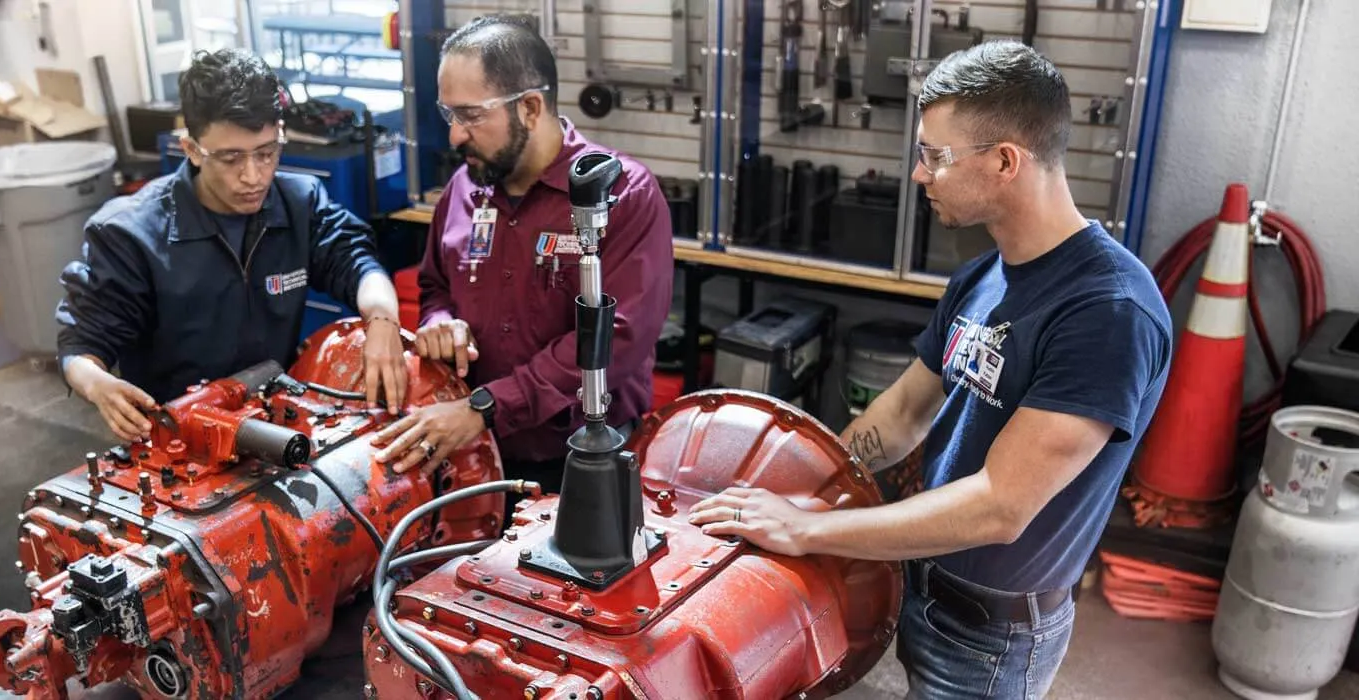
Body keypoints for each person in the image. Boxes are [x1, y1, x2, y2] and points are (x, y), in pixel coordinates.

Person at [689, 41, 1173, 699]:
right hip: (926, 587)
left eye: (935, 157)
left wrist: (811, 529)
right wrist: (816, 489)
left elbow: (1000, 506)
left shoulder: (1107, 312)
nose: (919, 175)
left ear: (1006, 160)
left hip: (994, 636)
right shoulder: (984, 274)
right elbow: (904, 414)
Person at [373, 15, 674, 489]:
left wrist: (488, 407)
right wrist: (438, 325)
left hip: (581, 464)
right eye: (449, 114)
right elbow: (434, 287)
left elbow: (616, 341)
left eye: (471, 115)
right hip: (472, 453)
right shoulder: (464, 188)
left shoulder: (620, 195)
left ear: (531, 107)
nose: (454, 135)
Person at [57, 49, 407, 441]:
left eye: (266, 152)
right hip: (181, 445)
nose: (253, 176)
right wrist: (97, 384)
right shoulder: (129, 233)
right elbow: (82, 343)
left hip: (277, 427)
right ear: (191, 149)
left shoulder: (299, 203)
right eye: (231, 158)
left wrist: (382, 319)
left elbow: (356, 261)